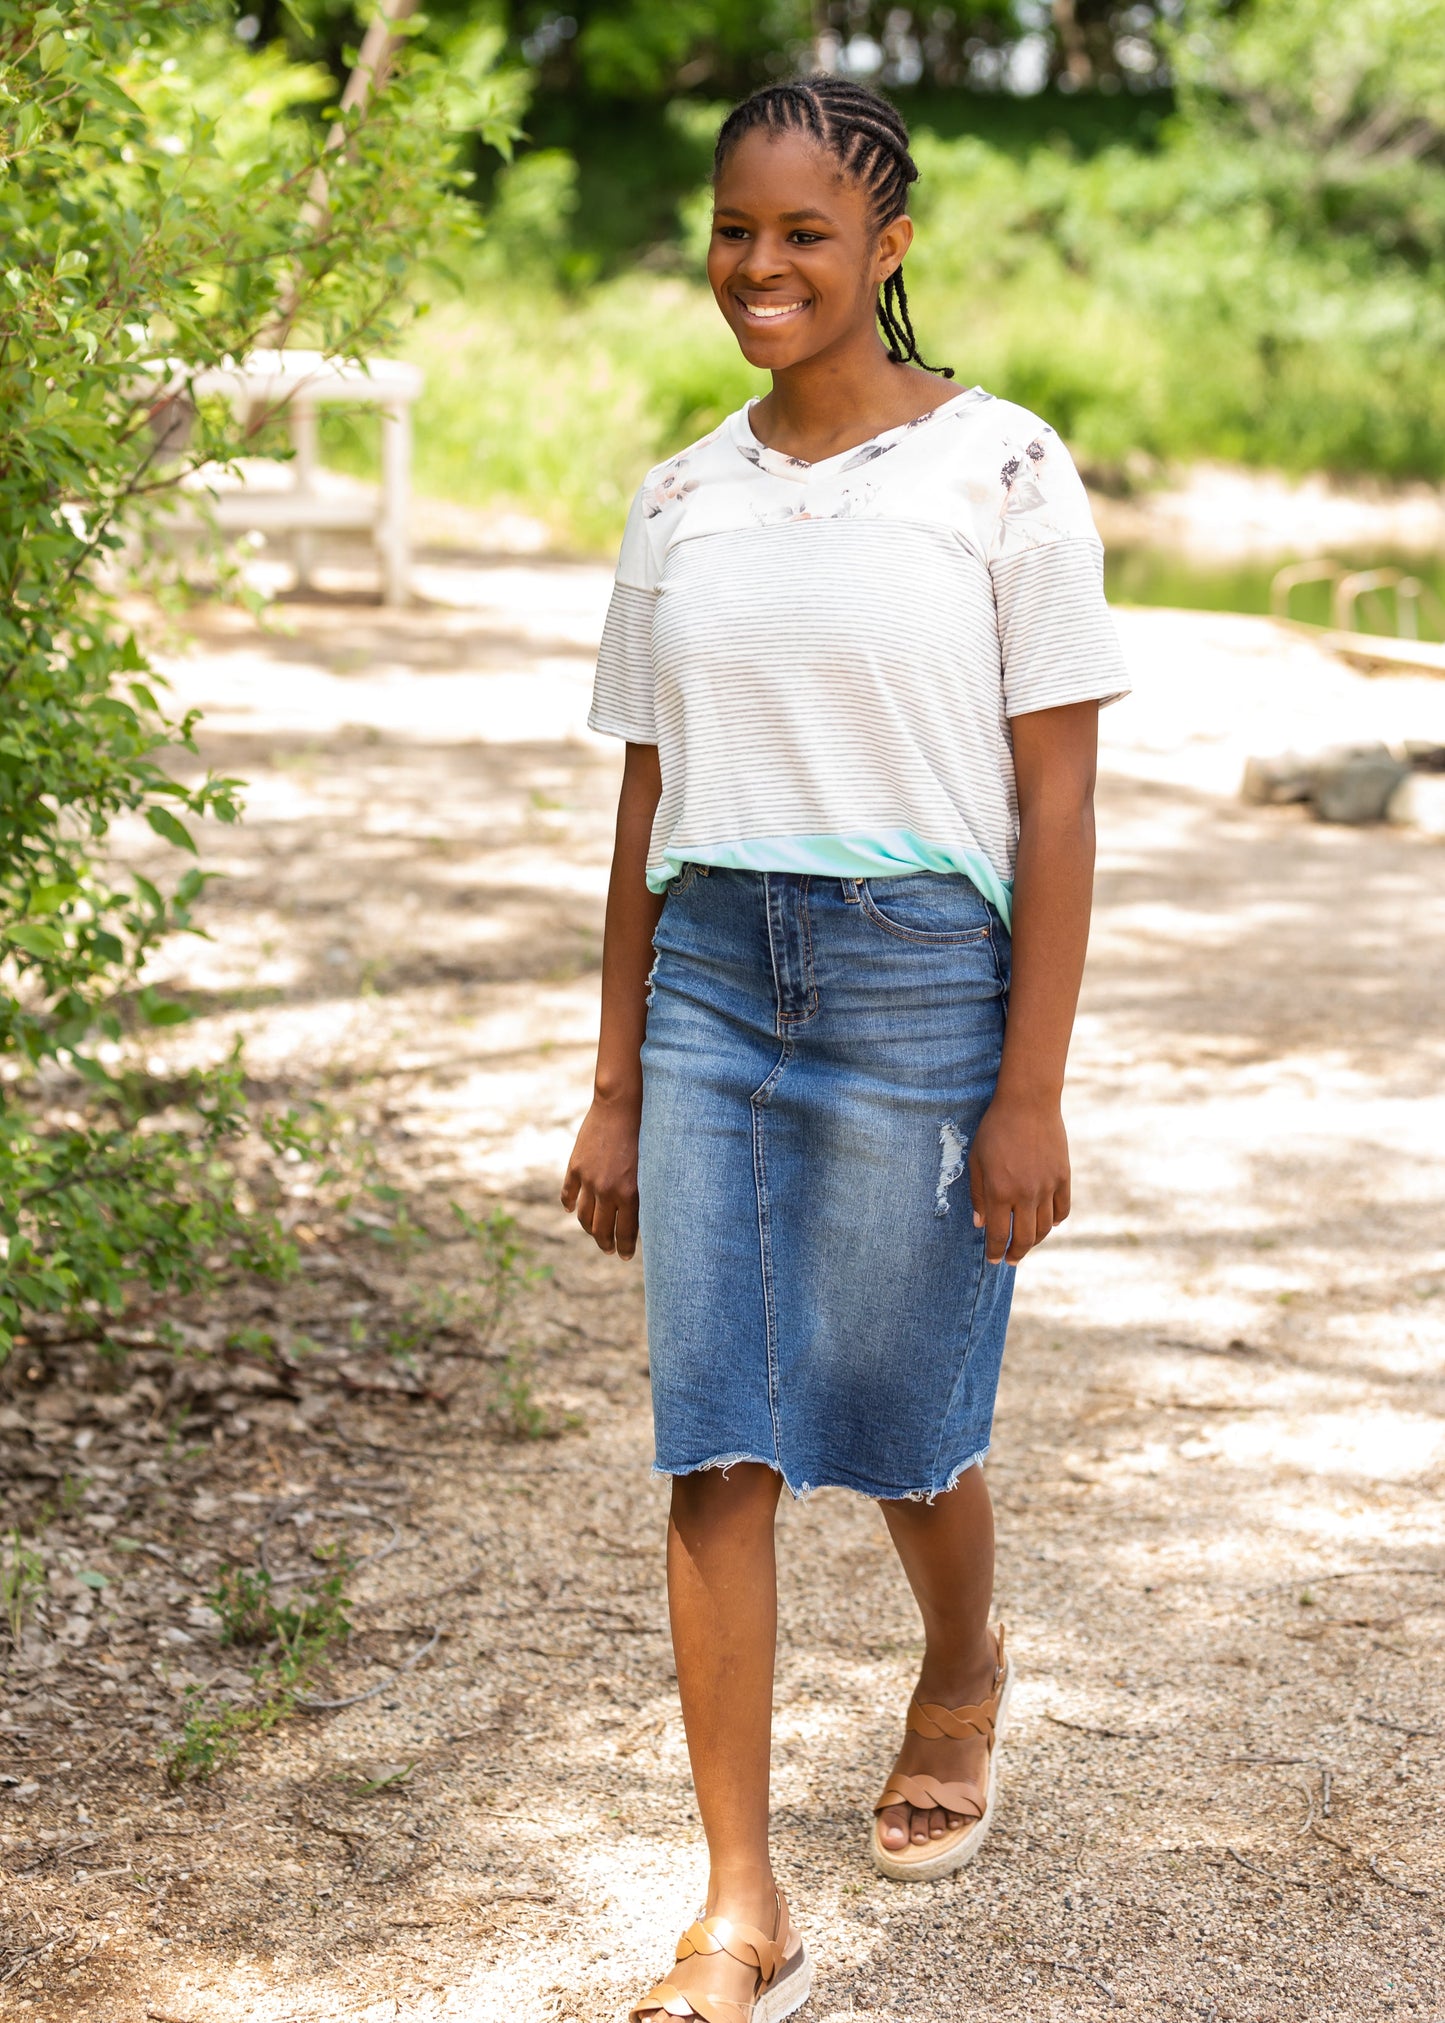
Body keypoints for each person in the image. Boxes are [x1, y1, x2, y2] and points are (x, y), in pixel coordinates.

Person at [561, 74, 1130, 2023]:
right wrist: (618, 1077)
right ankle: (740, 1905)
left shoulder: (1006, 474)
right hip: (714, 974)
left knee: (896, 1422)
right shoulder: (679, 496)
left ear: (888, 248)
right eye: (735, 228)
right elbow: (645, 814)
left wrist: (1030, 1086)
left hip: (918, 980)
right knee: (717, 1433)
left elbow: (1055, 806)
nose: (760, 265)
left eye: (806, 232)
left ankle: (960, 1660)